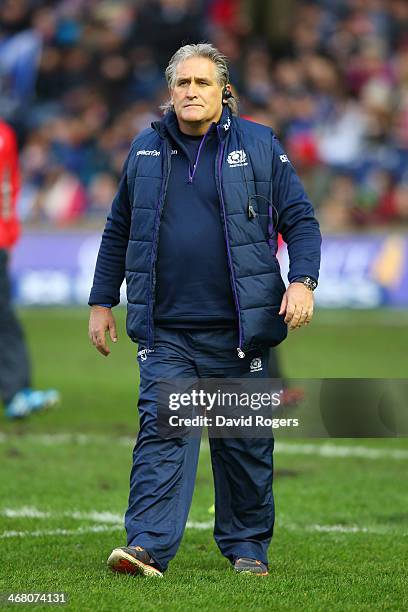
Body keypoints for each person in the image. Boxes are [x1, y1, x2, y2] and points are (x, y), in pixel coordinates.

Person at [88, 43, 321, 577]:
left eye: (202, 83)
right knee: (162, 434)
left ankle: (247, 548)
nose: (191, 92)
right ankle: (146, 545)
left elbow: (301, 221)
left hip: (241, 328)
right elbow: (118, 229)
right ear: (171, 92)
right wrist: (102, 301)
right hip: (166, 330)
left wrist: (303, 283)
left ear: (224, 92)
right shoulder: (144, 149)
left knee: (242, 447)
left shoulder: (260, 144)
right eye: (182, 83)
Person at [0, 119, 60, 419]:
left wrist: (8, 232)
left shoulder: (5, 134)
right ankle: (15, 393)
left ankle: (16, 393)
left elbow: (9, 185)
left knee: (4, 318)